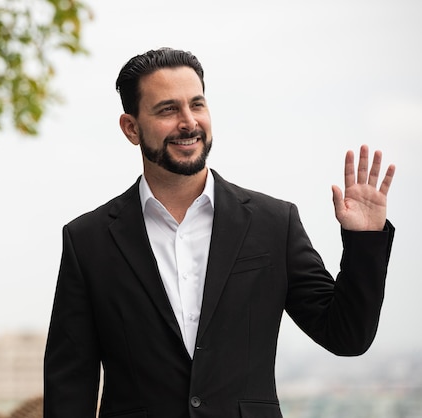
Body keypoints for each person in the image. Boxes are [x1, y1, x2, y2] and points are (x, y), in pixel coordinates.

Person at [43, 47, 396, 418]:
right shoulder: (88, 241)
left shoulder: (274, 223)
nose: (188, 121)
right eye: (167, 109)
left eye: (197, 105)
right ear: (131, 128)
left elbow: (347, 336)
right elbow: (71, 386)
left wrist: (365, 240)